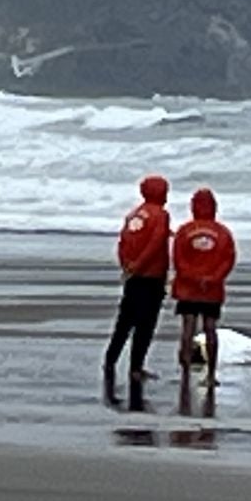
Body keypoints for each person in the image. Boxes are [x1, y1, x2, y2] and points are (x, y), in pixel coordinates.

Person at [103, 173, 171, 410]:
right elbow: (157, 242)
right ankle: (135, 367)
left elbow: (122, 243)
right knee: (145, 324)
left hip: (132, 276)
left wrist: (127, 266)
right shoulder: (160, 215)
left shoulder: (133, 215)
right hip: (151, 276)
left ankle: (110, 360)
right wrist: (141, 265)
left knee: (124, 321)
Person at [173, 187, 237, 389]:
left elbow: (178, 259)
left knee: (188, 329)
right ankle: (210, 374)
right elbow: (229, 259)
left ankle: (184, 373)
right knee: (210, 330)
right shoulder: (223, 232)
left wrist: (191, 277)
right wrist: (213, 278)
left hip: (188, 288)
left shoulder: (184, 231)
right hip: (212, 289)